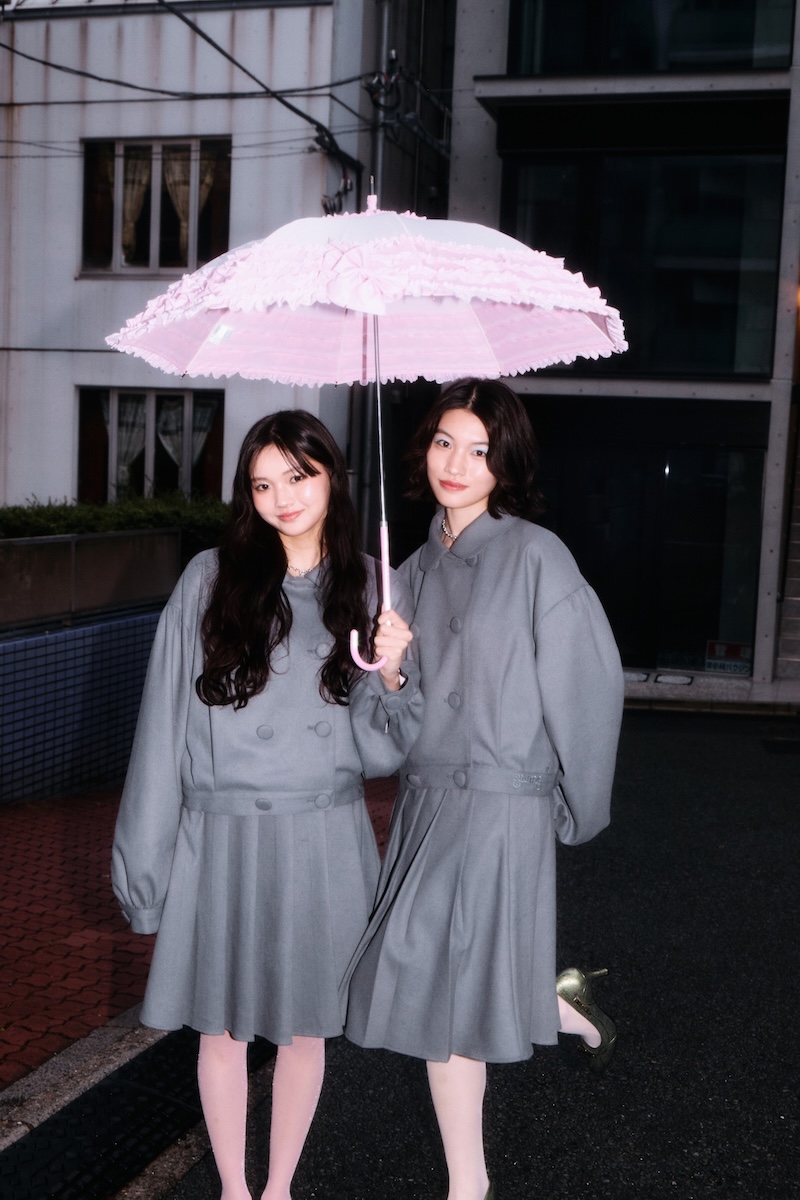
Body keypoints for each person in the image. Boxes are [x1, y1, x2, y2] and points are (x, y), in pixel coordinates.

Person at [111, 410, 423, 1200]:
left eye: (298, 476)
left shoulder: (371, 587)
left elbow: (383, 753)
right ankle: (232, 1188)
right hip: (220, 836)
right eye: (262, 484)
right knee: (219, 1030)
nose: (282, 497)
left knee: (304, 1028)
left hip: (323, 835)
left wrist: (393, 673)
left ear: (332, 478)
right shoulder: (210, 579)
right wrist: (143, 870)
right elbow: (162, 731)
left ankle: (278, 1187)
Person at [342, 379, 624, 1200]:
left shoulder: (537, 556)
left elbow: (589, 683)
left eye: (478, 449)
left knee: (448, 993)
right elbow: (385, 737)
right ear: (423, 449)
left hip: (504, 807)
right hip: (430, 807)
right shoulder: (408, 575)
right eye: (443, 442)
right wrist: (390, 670)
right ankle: (552, 1005)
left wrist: (573, 800)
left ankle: (469, 1185)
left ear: (506, 464)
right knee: (433, 982)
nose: (456, 464)